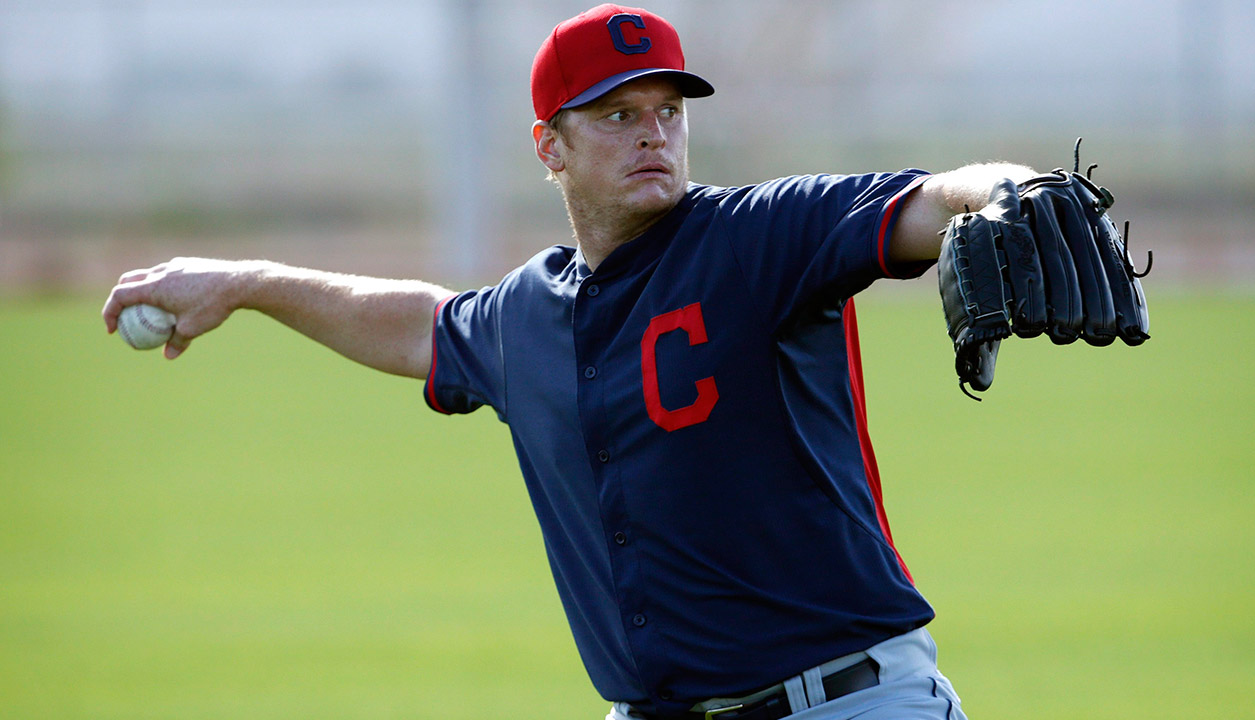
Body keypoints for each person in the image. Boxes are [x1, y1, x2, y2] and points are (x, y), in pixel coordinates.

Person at [103, 5, 1047, 719]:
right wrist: (245, 280)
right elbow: (416, 326)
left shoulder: (760, 237)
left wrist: (1013, 190)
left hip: (843, 703)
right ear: (548, 145)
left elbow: (928, 199)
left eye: (668, 110)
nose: (653, 133)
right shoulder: (528, 315)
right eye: (616, 113)